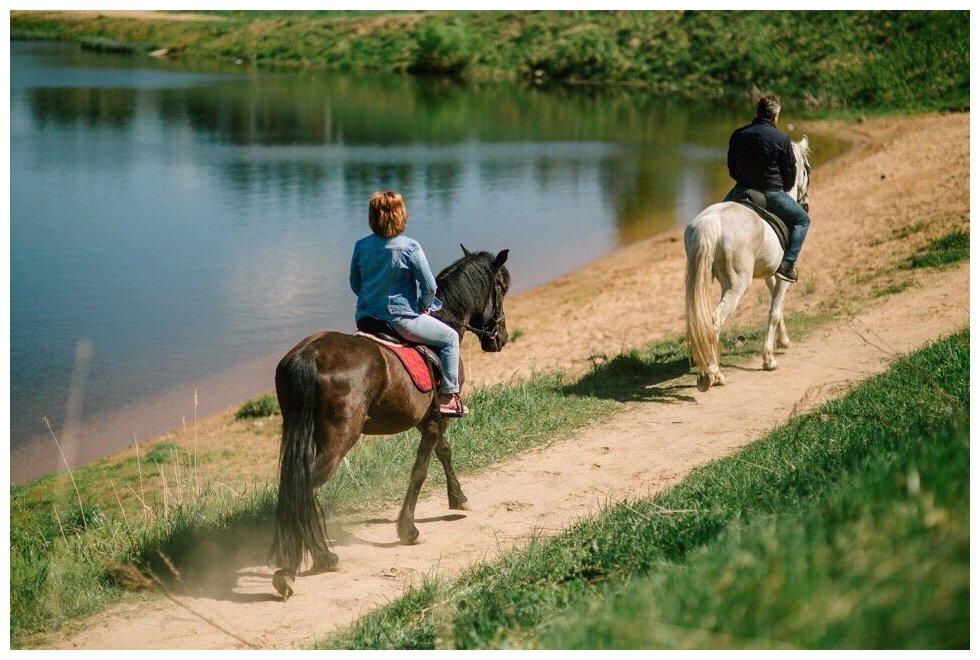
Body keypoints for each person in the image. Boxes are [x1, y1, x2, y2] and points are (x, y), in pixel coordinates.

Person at [349, 190, 468, 417]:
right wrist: (423, 305)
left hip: (365, 318)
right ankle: (449, 397)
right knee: (451, 338)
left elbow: (356, 285)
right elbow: (430, 287)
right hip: (400, 320)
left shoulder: (360, 246)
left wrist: (370, 301)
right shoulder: (410, 247)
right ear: (401, 215)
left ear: (372, 216)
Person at [724, 94, 811, 283]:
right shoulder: (781, 139)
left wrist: (743, 181)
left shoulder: (739, 134)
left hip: (741, 190)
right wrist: (783, 187)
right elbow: (789, 173)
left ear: (758, 113)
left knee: (719, 215)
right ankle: (787, 265)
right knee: (803, 220)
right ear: (775, 117)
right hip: (771, 193)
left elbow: (732, 167)